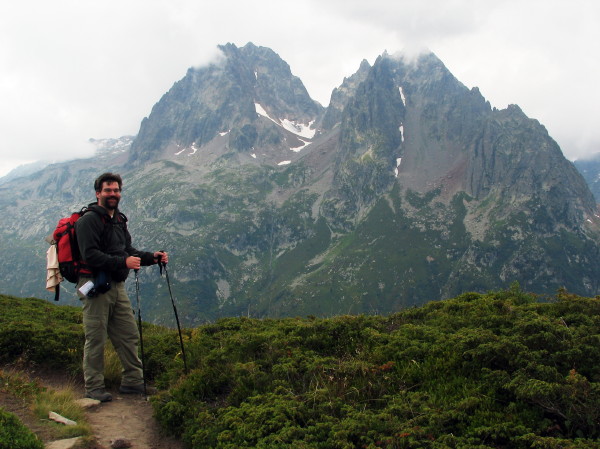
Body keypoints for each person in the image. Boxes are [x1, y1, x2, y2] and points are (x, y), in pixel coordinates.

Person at [75, 172, 168, 402]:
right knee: (96, 338)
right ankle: (94, 388)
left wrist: (152, 258)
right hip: (95, 284)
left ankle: (133, 382)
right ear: (98, 193)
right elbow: (91, 255)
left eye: (116, 190)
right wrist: (123, 262)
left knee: (128, 334)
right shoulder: (88, 220)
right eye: (108, 190)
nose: (113, 194)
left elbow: (127, 250)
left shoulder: (118, 220)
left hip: (116, 285)